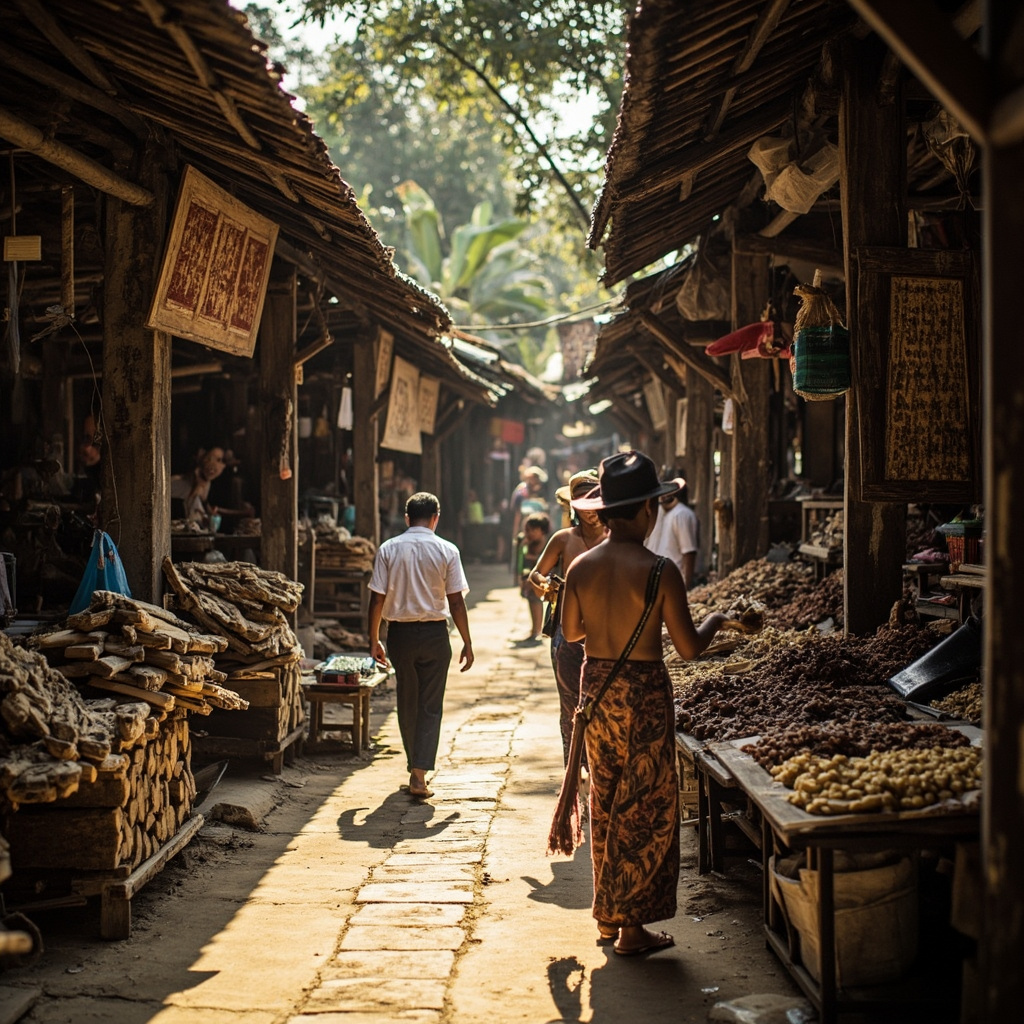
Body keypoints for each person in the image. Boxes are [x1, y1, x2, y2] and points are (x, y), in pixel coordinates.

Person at [561, 450, 749, 957]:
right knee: (643, 809)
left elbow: (572, 632)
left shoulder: (579, 566)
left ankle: (608, 915)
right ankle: (632, 929)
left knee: (605, 799)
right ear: (648, 510)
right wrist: (721, 620)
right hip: (643, 695)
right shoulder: (660, 570)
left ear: (603, 511)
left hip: (597, 692)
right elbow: (689, 648)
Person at [367, 492, 474, 800]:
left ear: (406, 518)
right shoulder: (447, 550)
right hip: (436, 636)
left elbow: (377, 598)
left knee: (408, 699)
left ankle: (415, 765)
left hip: (399, 636)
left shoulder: (389, 548)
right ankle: (419, 773)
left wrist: (373, 639)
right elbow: (456, 600)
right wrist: (467, 640)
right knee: (430, 705)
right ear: (436, 518)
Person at [526, 469, 604, 765]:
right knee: (571, 701)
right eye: (583, 502)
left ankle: (600, 761)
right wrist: (542, 584)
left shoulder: (615, 538)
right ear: (573, 506)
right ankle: (575, 765)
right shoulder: (563, 539)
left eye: (595, 500)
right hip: (567, 629)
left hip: (607, 628)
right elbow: (536, 572)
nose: (591, 511)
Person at [646, 476, 699, 587]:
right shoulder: (656, 512)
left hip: (671, 579)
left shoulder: (682, 514)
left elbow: (689, 552)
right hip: (651, 576)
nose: (664, 496)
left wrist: (686, 585)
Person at [514, 511, 551, 645]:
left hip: (542, 579)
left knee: (536, 601)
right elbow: (522, 563)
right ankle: (535, 629)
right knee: (531, 601)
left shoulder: (548, 545)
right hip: (529, 579)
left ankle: (537, 630)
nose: (529, 533)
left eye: (533, 530)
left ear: (542, 531)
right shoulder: (527, 544)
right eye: (527, 530)